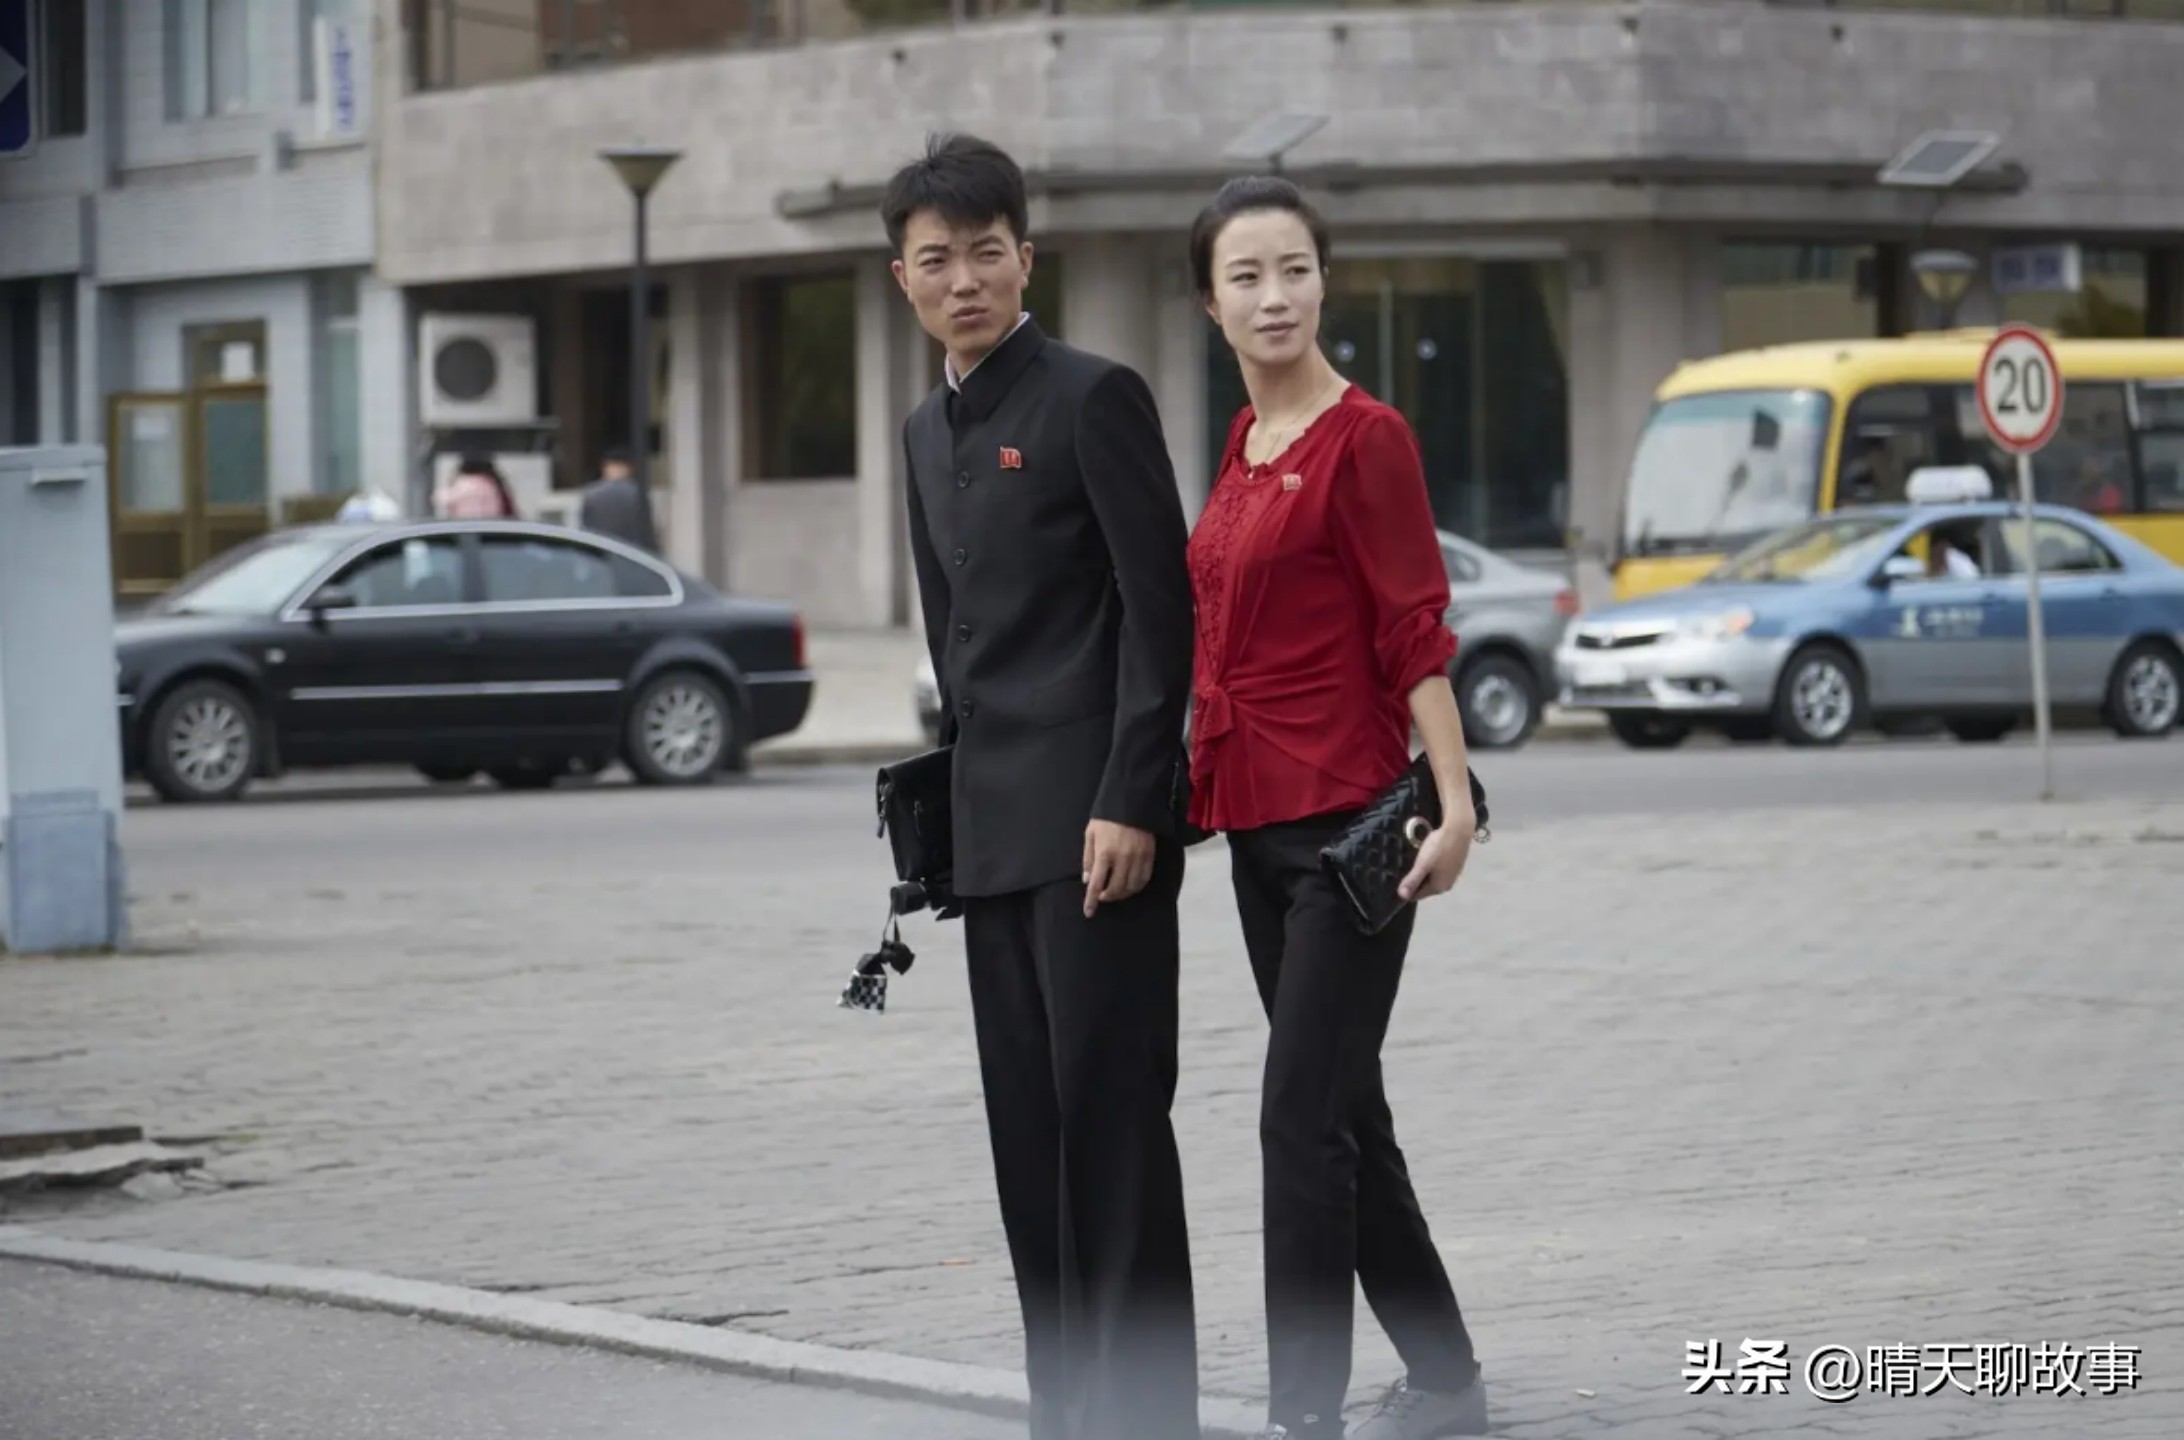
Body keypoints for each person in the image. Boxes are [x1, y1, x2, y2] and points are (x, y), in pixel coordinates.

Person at [881, 134, 1201, 1440]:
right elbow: (952, 636)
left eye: (988, 252)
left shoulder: (1092, 397)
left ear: (1029, 257)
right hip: (995, 833)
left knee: (1112, 1130)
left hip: (1101, 832)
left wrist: (1134, 798)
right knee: (1029, 1141)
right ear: (900, 274)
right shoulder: (923, 429)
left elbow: (1159, 609)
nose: (966, 280)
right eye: (937, 259)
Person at [1184, 175, 1488, 1440]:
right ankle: (1449, 1377)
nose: (1275, 295)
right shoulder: (1243, 450)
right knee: (1346, 1115)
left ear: (1325, 283)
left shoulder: (1369, 438)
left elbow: (1414, 628)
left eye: (1295, 269)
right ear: (1211, 302)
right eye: (1247, 275)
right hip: (1257, 829)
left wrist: (1456, 805)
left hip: (1360, 834)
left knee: (1297, 1119)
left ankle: (1299, 1416)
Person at [577, 445, 661, 553]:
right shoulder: (637, 494)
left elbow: (584, 528)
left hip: (600, 554)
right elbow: (648, 532)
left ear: (605, 467)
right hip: (631, 554)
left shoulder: (591, 494)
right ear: (628, 468)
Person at [438, 453, 518, 519]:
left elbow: (441, 498)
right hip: (492, 529)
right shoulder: (494, 486)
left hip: (463, 529)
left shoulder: (463, 484)